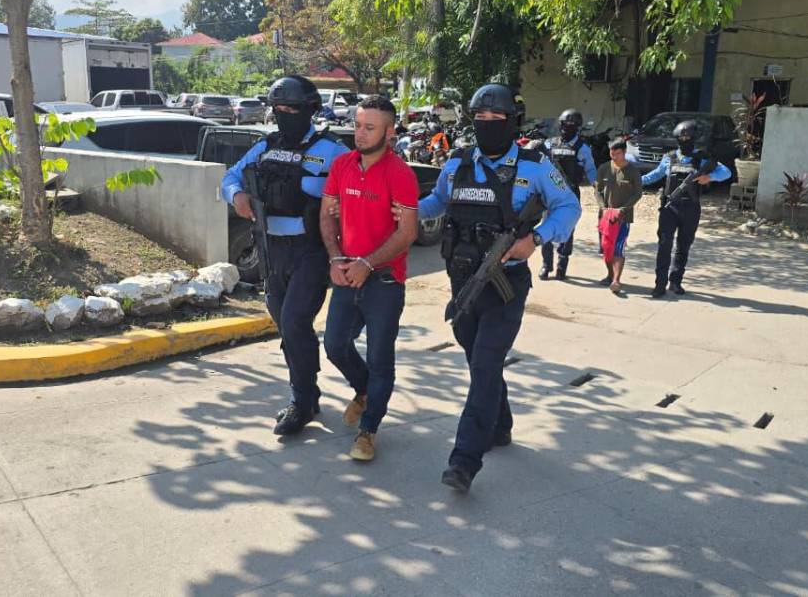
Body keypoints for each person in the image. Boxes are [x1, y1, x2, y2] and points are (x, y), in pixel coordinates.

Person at [418, 83, 581, 493]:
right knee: (480, 362)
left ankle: (464, 460)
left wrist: (536, 239)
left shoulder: (535, 165)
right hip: (462, 283)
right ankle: (501, 424)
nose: (487, 124)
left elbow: (568, 206)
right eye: (481, 118)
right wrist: (399, 212)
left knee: (485, 365)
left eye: (497, 118)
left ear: (513, 121)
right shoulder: (457, 163)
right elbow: (435, 203)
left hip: (506, 284)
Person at [221, 75, 350, 435]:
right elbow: (231, 177)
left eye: (292, 109)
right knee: (288, 327)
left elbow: (355, 191)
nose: (284, 114)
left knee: (294, 321)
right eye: (278, 109)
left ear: (310, 110)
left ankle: (301, 401)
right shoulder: (266, 146)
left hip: (310, 251)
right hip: (271, 250)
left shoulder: (333, 150)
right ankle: (308, 393)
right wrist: (237, 195)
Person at [319, 96, 420, 462]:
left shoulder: (401, 174)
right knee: (335, 345)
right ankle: (364, 391)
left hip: (385, 281)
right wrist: (336, 258)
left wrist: (368, 263)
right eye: (358, 125)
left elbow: (407, 232)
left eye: (370, 128)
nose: (360, 134)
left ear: (390, 132)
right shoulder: (342, 165)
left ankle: (369, 430)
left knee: (380, 358)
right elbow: (326, 215)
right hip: (347, 273)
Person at [640, 120, 732, 298]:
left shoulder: (702, 158)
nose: (684, 140)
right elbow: (655, 175)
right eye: (681, 138)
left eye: (687, 137)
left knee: (683, 246)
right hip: (669, 208)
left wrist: (710, 177)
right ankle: (660, 284)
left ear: (694, 138)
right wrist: (635, 181)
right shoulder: (669, 157)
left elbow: (726, 173)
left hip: (691, 207)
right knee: (664, 245)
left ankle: (675, 282)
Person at [538, 109, 597, 280]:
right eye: (564, 124)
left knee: (567, 230)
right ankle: (546, 264)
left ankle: (561, 266)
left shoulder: (583, 148)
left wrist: (598, 189)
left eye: (571, 125)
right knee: (546, 227)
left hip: (570, 194)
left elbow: (591, 171)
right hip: (549, 193)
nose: (566, 128)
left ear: (577, 127)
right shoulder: (550, 144)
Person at [593, 140, 642, 293]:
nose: (614, 157)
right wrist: (603, 207)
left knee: (618, 248)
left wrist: (623, 209)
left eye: (618, 153)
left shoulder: (632, 171)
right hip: (605, 216)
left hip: (623, 217)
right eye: (612, 153)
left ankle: (616, 280)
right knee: (606, 247)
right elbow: (597, 190)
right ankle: (609, 275)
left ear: (624, 152)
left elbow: (638, 193)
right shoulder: (604, 168)